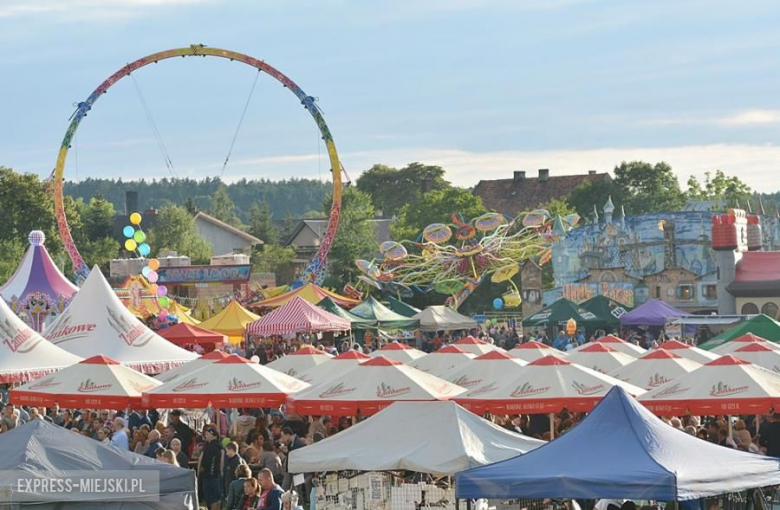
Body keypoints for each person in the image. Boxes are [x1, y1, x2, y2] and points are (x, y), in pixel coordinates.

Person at [197, 426, 224, 510]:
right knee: (217, 497)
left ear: (213, 435)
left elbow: (206, 462)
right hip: (216, 475)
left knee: (212, 498)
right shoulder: (219, 446)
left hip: (209, 475)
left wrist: (201, 470)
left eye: (208, 434)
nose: (206, 435)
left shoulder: (211, 447)